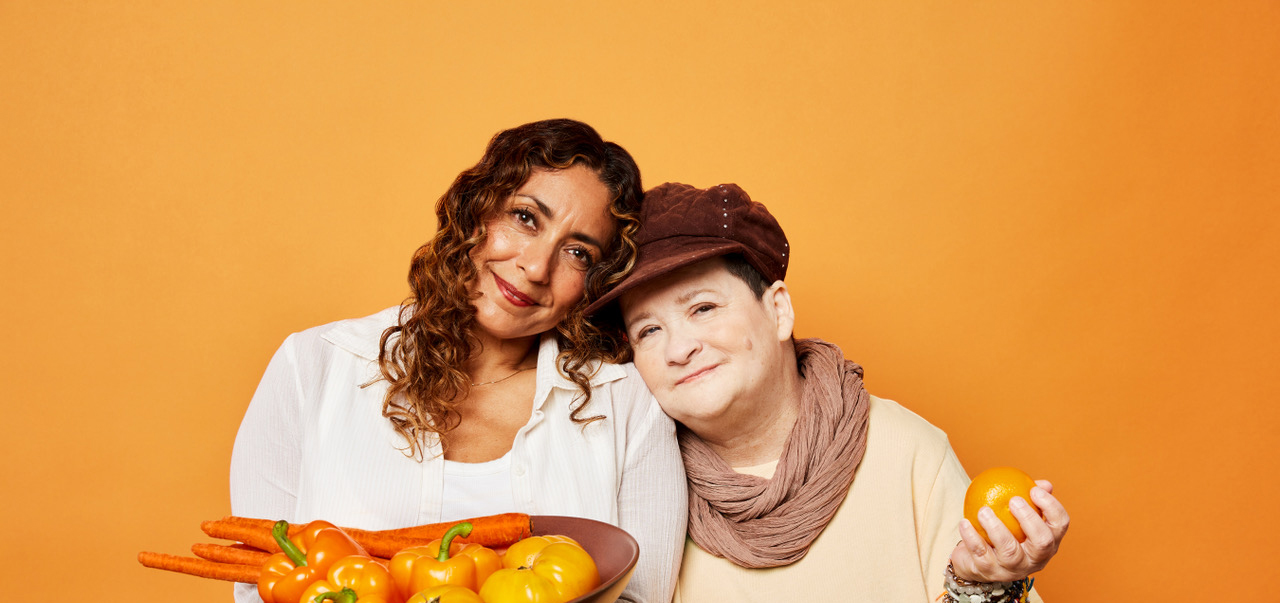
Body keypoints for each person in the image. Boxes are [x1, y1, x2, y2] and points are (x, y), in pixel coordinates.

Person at [229, 119, 687, 603]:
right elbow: (260, 587)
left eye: (577, 252)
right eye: (526, 218)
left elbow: (643, 597)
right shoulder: (313, 368)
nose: (535, 267)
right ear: (477, 210)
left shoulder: (625, 403)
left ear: (596, 280)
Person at [585, 183, 1070, 603]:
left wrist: (983, 586)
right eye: (648, 331)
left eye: (704, 308)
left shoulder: (906, 451)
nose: (679, 348)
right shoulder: (639, 486)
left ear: (778, 310)